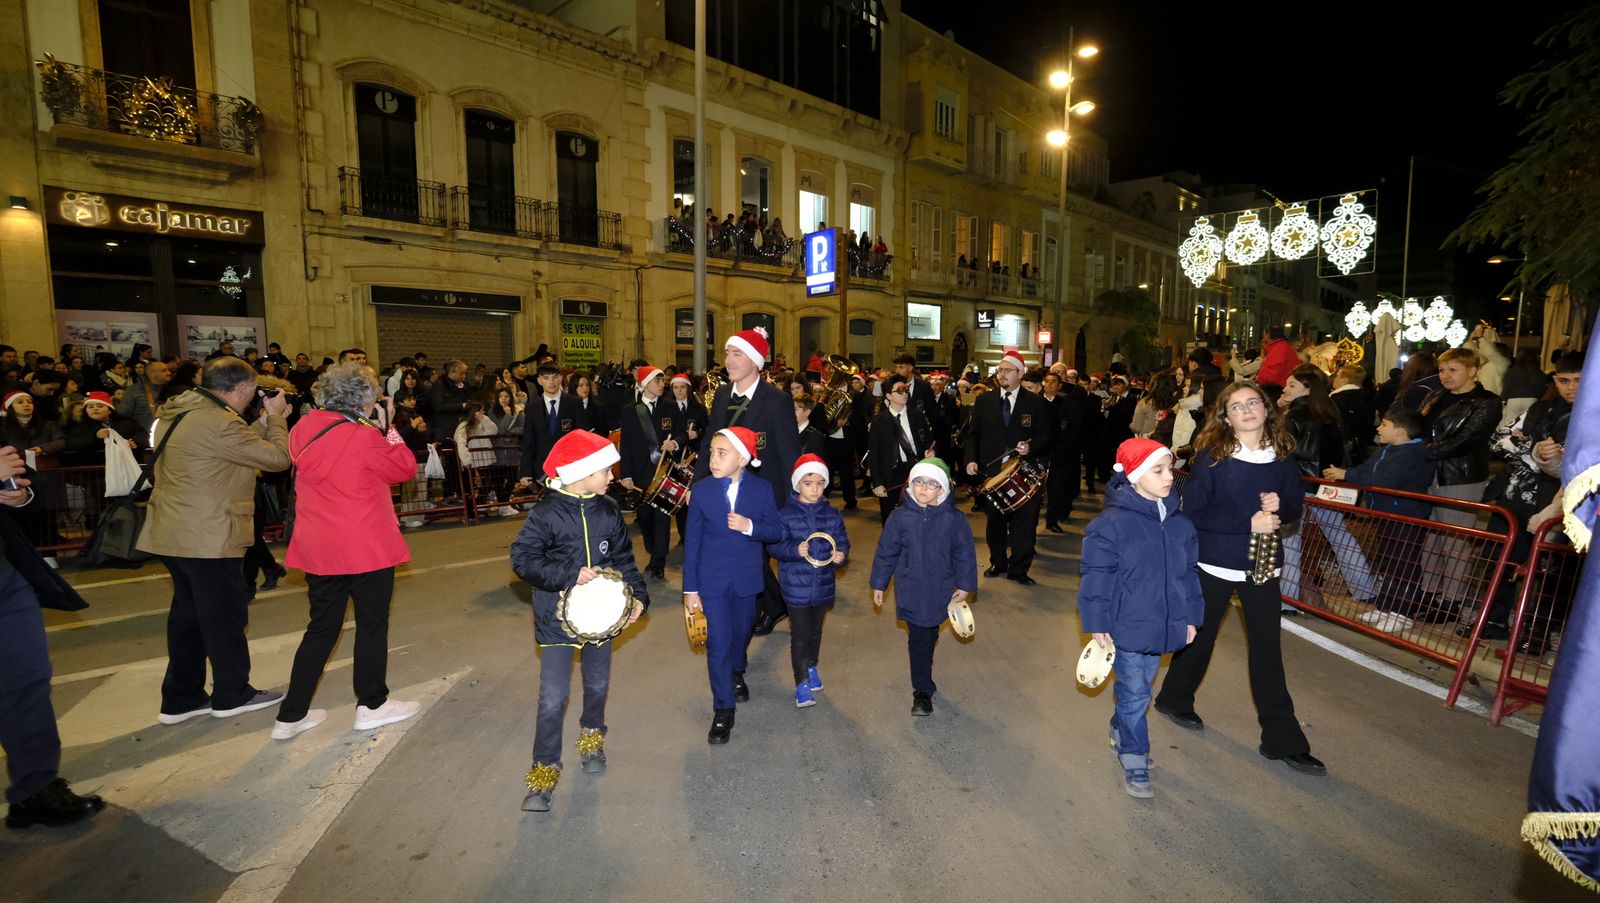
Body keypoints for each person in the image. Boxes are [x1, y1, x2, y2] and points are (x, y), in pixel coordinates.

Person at [1153, 381, 1326, 777]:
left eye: (1253, 403)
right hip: (1215, 564)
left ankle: (1282, 740)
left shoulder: (1283, 457)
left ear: (1266, 410)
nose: (1246, 410)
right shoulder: (1214, 457)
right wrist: (1246, 522)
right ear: (1226, 417)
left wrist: (1282, 507)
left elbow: (1296, 505)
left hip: (1263, 566)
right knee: (1200, 639)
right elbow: (1193, 512)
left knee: (1267, 651)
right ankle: (1175, 698)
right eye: (1236, 406)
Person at [270, 364, 422, 740]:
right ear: (364, 398)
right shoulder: (366, 435)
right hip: (365, 547)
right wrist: (388, 428)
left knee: (321, 628)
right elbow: (404, 468)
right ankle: (372, 705)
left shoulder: (303, 428)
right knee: (371, 625)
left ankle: (290, 716)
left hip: (320, 548)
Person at [138, 357, 292, 723]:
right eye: (253, 391)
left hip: (173, 531)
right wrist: (277, 419)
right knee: (224, 616)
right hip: (207, 534)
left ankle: (181, 697)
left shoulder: (181, 412)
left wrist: (260, 421)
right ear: (240, 388)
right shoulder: (219, 422)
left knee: (188, 619)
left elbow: (233, 442)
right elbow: (277, 459)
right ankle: (232, 693)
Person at [510, 429, 648, 812]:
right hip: (556, 624)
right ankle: (543, 774)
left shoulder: (607, 511)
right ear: (582, 472)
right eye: (605, 470)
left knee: (598, 686)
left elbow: (623, 561)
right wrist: (568, 572)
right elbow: (523, 560)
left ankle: (591, 741)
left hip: (601, 623)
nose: (611, 477)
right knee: (553, 698)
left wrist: (637, 597)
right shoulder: (545, 513)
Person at [1078, 439, 1202, 799]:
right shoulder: (1110, 524)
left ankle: (1121, 728)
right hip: (1127, 624)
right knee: (1135, 693)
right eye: (1158, 470)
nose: (1169, 477)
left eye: (1170, 468)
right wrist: (1097, 621)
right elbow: (1096, 575)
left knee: (1141, 689)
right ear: (1133, 476)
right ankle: (1134, 755)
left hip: (1165, 623)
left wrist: (1191, 617)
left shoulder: (1180, 524)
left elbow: (1189, 575)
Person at [0, 445, 108, 828]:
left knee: (27, 680)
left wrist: (20, 494)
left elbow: (31, 496)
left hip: (6, 577)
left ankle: (35, 789)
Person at [693, 328, 800, 637]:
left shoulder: (776, 401)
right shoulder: (723, 395)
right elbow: (710, 443)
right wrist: (697, 486)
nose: (728, 360)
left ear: (755, 361)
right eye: (727, 353)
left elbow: (789, 452)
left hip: (763, 492)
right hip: (725, 490)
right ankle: (773, 603)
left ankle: (765, 607)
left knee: (757, 552)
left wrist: (792, 500)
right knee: (744, 552)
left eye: (736, 354)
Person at [683, 427, 783, 745]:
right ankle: (723, 709)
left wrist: (749, 526)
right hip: (710, 581)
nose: (713, 458)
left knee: (741, 634)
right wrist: (690, 590)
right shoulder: (701, 491)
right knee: (718, 644)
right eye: (711, 452)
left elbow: (776, 530)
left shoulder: (762, 490)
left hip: (746, 579)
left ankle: (737, 668)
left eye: (721, 453)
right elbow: (693, 543)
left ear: (742, 458)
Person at [1474, 352, 1579, 641]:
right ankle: (1494, 621)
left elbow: (1576, 466)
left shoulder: (1590, 418)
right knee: (1502, 561)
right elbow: (1497, 441)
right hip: (1513, 497)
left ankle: (1537, 634)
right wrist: (1533, 450)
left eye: (1579, 381)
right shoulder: (1540, 410)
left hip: (1556, 507)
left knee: (1550, 574)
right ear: (1555, 381)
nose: (1571, 387)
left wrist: (1528, 449)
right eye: (1565, 380)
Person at [869, 458, 978, 716]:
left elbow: (965, 553)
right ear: (910, 485)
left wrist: (965, 585)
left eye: (931, 483)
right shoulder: (899, 517)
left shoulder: (955, 519)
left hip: (942, 590)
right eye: (918, 482)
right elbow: (887, 552)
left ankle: (924, 675)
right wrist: (879, 583)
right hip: (911, 589)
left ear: (942, 489)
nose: (923, 488)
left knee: (930, 636)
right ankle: (922, 694)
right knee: (918, 640)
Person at [1322, 409, 1436, 633]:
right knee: (1389, 561)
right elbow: (1366, 469)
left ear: (1401, 431)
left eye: (1384, 424)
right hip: (1386, 514)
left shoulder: (1411, 454)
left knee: (1404, 564)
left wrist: (1348, 475)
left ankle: (1403, 613)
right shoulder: (1389, 450)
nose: (1378, 428)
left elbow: (1384, 480)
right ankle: (1386, 606)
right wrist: (1347, 472)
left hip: (1406, 516)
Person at [1415, 348, 1501, 624]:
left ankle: (1451, 600)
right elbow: (1418, 427)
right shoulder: (1436, 396)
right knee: (1431, 540)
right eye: (1442, 370)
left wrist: (1425, 453)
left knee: (1455, 542)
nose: (1445, 375)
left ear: (1472, 370)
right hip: (1428, 474)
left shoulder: (1486, 402)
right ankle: (1429, 594)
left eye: (1453, 370)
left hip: (1460, 477)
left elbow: (1469, 438)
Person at [1277, 364, 1371, 611]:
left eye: (1292, 385)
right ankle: (1365, 589)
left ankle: (1287, 601)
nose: (1285, 389)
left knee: (1290, 541)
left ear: (1307, 389)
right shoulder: (1330, 413)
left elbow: (1281, 452)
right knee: (1340, 536)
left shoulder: (1294, 417)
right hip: (1326, 483)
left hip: (1298, 484)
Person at [767, 455, 849, 709]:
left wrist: (841, 555)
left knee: (815, 633)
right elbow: (774, 546)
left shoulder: (833, 515)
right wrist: (794, 550)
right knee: (800, 635)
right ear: (797, 485)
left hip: (823, 585)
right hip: (796, 588)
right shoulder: (784, 515)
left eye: (819, 483)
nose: (814, 488)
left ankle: (811, 666)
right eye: (808, 482)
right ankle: (801, 682)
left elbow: (843, 541)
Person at [964, 351, 1052, 584]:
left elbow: (1046, 435)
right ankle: (998, 562)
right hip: (992, 474)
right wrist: (970, 459)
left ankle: (1019, 569)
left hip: (1024, 472)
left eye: (1007, 370)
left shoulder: (1035, 402)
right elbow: (972, 435)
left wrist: (1030, 448)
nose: (1001, 374)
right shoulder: (985, 400)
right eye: (1000, 370)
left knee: (1024, 523)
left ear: (1020, 374)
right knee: (995, 521)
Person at [619, 366, 682, 580]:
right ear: (645, 384)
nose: (662, 384)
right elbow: (625, 444)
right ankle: (653, 549)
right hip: (640, 473)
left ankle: (658, 562)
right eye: (658, 381)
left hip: (664, 472)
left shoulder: (670, 407)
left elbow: (682, 433)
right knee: (644, 518)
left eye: (663, 381)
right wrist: (625, 474)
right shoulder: (630, 410)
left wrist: (675, 442)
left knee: (662, 518)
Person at [868, 375, 933, 523]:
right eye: (899, 390)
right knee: (891, 519)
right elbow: (874, 454)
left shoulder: (917, 416)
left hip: (916, 470)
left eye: (906, 389)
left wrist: (930, 452)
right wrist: (877, 483)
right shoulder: (878, 421)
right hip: (890, 474)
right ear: (888, 395)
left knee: (918, 516)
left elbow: (927, 442)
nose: (904, 393)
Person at [520, 363, 580, 484]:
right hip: (542, 470)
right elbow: (528, 442)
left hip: (570, 468)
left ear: (561, 378)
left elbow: (582, 437)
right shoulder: (532, 408)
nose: (551, 382)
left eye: (555, 377)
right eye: (546, 378)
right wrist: (525, 472)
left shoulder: (574, 403)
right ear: (539, 380)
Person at [1042, 371, 1083, 531]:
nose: (1050, 384)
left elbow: (1074, 430)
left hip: (1060, 452)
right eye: (1047, 381)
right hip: (1038, 452)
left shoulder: (1068, 404)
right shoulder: (1036, 402)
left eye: (1054, 382)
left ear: (1059, 386)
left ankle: (1052, 520)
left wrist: (1060, 444)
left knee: (1056, 487)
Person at [1330, 365, 1376, 466]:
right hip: (1359, 446)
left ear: (1345, 379)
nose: (1334, 378)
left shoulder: (1339, 400)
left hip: (1343, 448)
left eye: (1337, 375)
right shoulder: (1364, 396)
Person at [1254, 325, 1301, 389]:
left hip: (1278, 389)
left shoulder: (1279, 349)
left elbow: (1271, 376)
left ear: (1267, 335)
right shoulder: (1280, 347)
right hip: (1280, 386)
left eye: (1264, 335)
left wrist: (1258, 378)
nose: (1263, 338)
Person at [568, 372, 610, 436]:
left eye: (587, 385)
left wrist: (593, 435)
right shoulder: (567, 407)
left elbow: (605, 431)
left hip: (594, 443)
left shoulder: (599, 407)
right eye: (581, 385)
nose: (585, 388)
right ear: (574, 387)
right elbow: (564, 431)